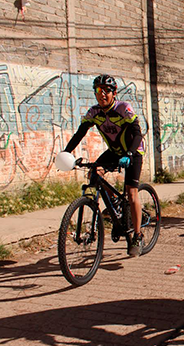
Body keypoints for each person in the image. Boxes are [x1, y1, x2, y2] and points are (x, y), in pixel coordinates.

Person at [63, 74, 145, 256]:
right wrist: (66, 152)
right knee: (96, 173)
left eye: (106, 91)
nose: (102, 95)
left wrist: (130, 153)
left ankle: (138, 235)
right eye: (98, 91)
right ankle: (115, 201)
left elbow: (137, 134)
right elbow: (79, 133)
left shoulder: (123, 108)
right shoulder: (94, 113)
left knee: (132, 192)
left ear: (114, 93)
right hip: (115, 151)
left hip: (133, 151)